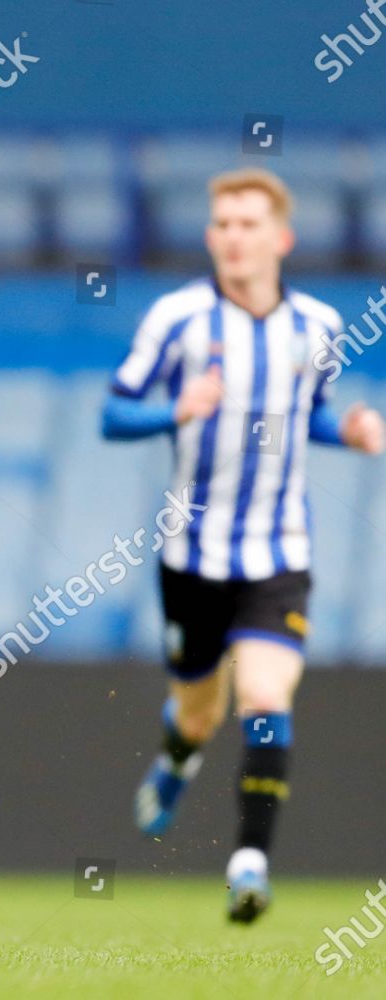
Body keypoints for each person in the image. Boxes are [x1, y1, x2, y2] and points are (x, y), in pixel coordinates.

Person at [102, 167, 384, 923]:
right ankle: (175, 761)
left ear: (281, 239)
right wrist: (175, 409)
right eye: (223, 224)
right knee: (198, 712)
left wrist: (350, 433)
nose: (234, 237)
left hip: (278, 554)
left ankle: (249, 861)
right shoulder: (178, 320)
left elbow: (310, 415)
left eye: (249, 224)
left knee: (263, 697)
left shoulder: (317, 327)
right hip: (192, 558)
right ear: (210, 237)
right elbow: (112, 412)